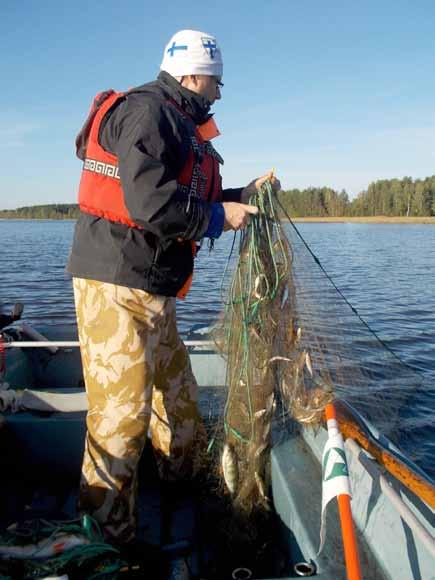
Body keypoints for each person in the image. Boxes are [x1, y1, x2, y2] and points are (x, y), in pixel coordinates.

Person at [67, 29, 281, 546]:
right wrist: (214, 216)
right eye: (216, 81)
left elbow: (184, 194)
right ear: (190, 73)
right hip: (114, 285)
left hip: (153, 289)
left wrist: (236, 198)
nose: (219, 93)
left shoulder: (179, 121)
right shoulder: (149, 113)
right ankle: (107, 540)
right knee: (121, 420)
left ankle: (182, 490)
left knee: (180, 401)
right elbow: (149, 204)